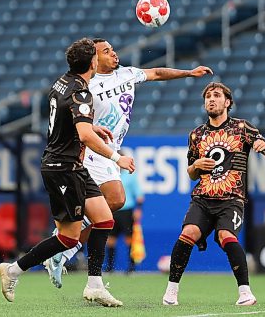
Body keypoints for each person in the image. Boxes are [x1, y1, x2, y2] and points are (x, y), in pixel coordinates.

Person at [44, 38, 212, 287]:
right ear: (93, 59)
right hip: (93, 151)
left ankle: (64, 247)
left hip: (111, 149)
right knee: (113, 201)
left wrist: (188, 72)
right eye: (106, 51)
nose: (113, 54)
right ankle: (68, 251)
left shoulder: (127, 74)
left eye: (113, 49)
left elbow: (156, 72)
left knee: (110, 204)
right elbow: (76, 120)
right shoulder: (86, 85)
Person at [0, 38, 135, 307]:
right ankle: (13, 270)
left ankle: (95, 285)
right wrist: (116, 156)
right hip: (62, 169)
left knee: (105, 219)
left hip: (74, 167)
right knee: (67, 238)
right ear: (92, 62)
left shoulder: (62, 82)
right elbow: (83, 133)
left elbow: (69, 122)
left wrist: (93, 128)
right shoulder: (82, 93)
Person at [161, 82, 265, 306]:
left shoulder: (242, 128)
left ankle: (245, 292)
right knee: (188, 233)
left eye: (216, 95)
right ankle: (171, 291)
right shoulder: (196, 135)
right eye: (207, 96)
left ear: (227, 102)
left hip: (231, 200)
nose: (211, 99)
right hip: (203, 199)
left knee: (227, 236)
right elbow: (191, 173)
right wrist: (196, 164)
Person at [104, 154, 145, 274]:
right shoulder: (108, 173)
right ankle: (110, 268)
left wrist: (138, 210)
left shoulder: (129, 175)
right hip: (112, 211)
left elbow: (139, 196)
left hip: (126, 211)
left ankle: (131, 268)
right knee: (110, 240)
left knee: (129, 239)